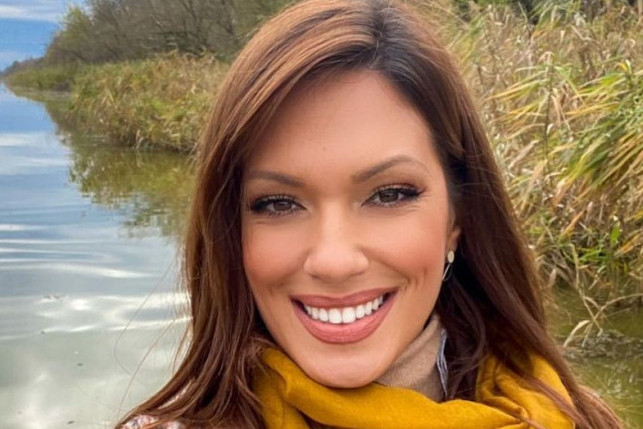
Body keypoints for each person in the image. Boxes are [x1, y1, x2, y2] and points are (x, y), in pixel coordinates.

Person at [119, 0, 623, 428]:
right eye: (278, 203)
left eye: (389, 195)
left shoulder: (574, 418)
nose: (334, 261)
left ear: (457, 218)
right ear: (232, 230)